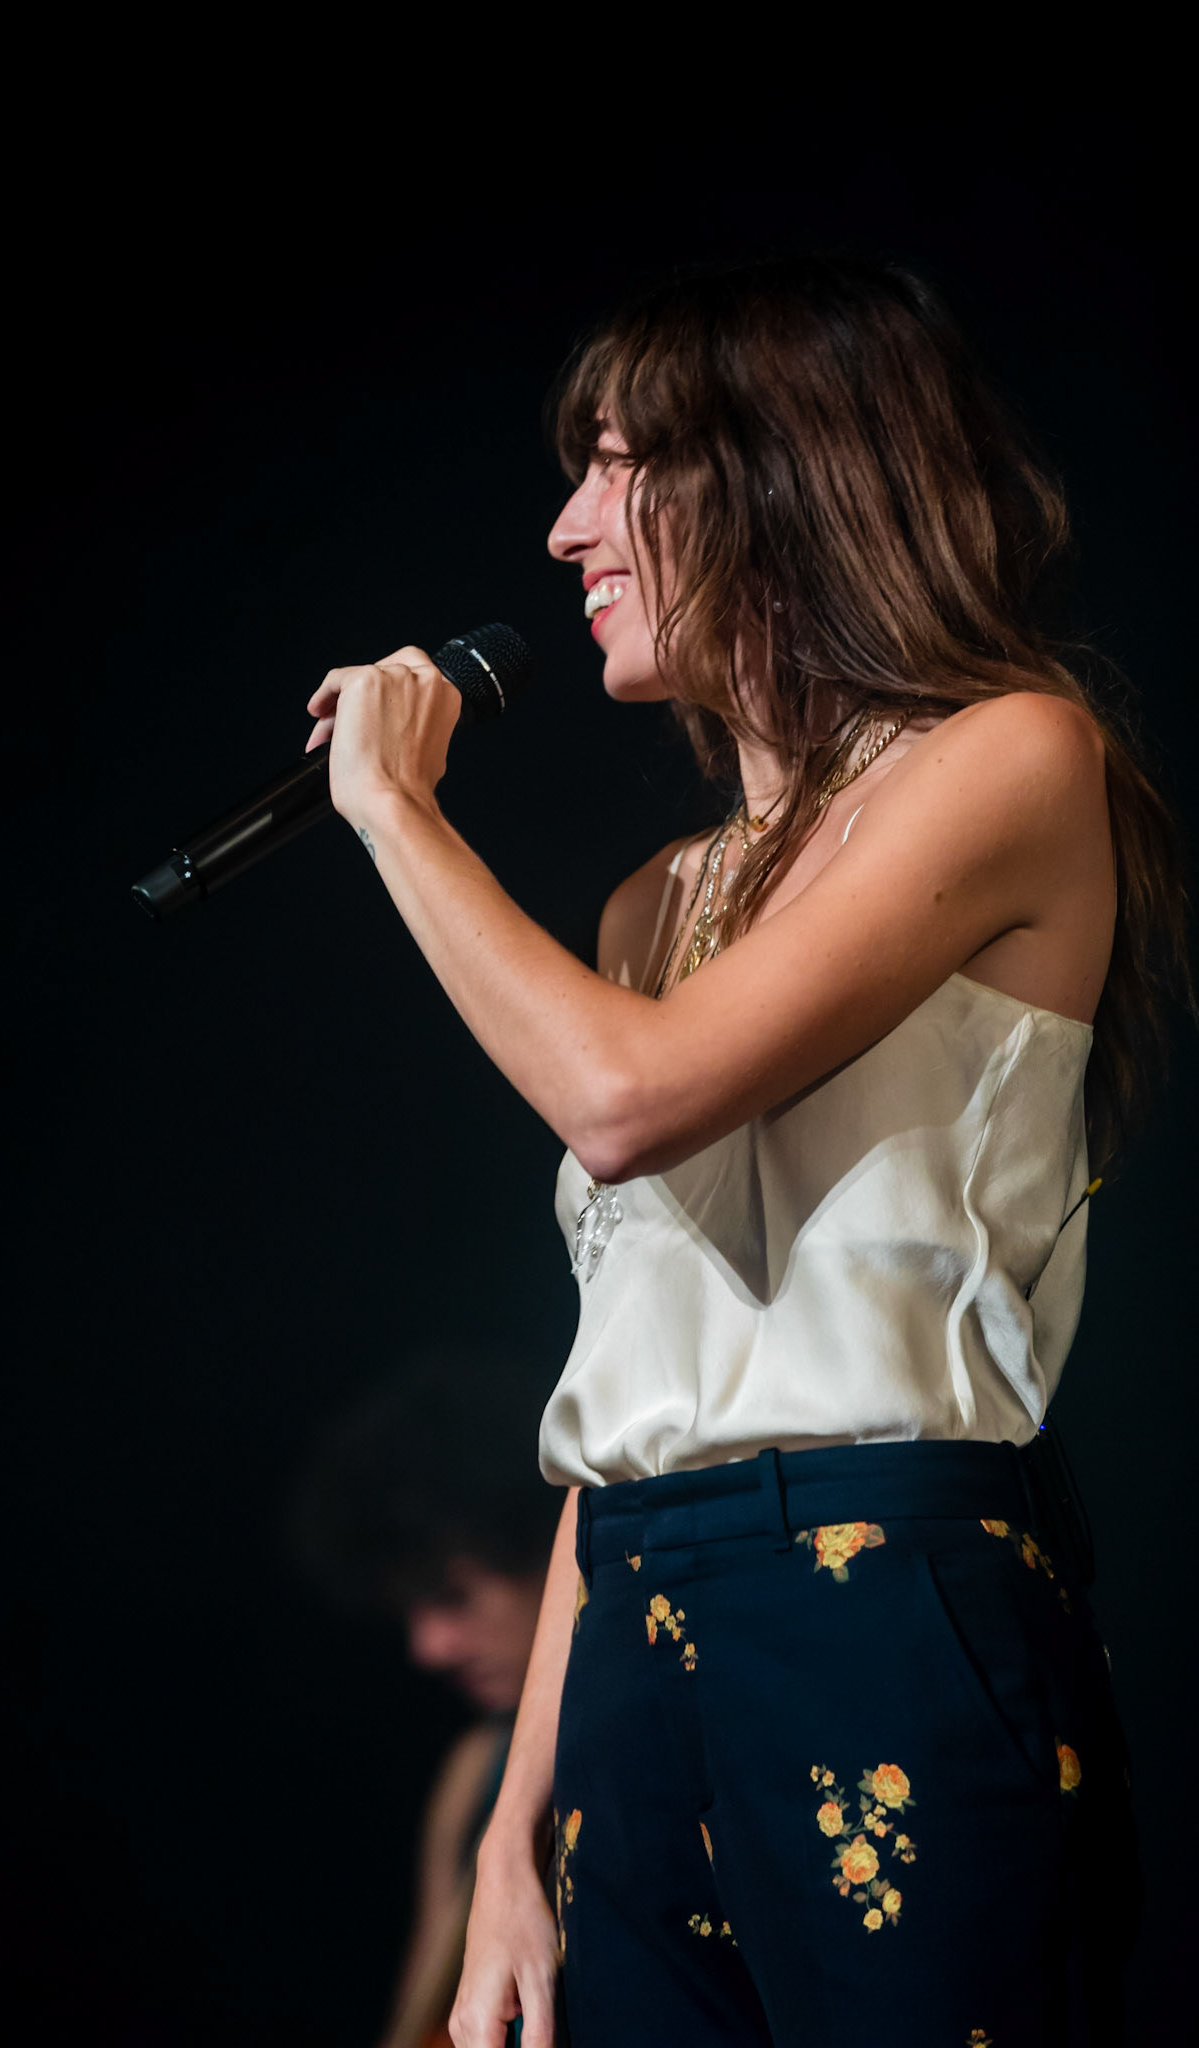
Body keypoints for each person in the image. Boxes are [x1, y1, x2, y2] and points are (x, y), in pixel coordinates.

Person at [301, 257, 1188, 2047]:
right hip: (639, 1610)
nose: (566, 531)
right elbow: (625, 1395)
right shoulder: (651, 900)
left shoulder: (1011, 755)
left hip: (879, 1588)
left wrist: (396, 808)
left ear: (782, 474)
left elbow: (629, 1095)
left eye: (617, 463)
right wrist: (502, 1844)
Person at [290, 1354, 560, 2048]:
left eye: (454, 1595)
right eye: (409, 1609)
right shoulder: (473, 1769)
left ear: (546, 1543)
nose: (429, 1648)